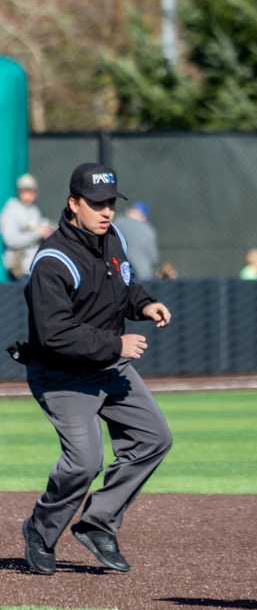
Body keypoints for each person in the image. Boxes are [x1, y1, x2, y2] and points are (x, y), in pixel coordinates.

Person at [11, 163, 174, 575]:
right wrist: (116, 343)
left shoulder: (111, 238)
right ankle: (41, 530)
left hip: (108, 367)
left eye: (110, 203)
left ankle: (98, 523)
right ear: (73, 204)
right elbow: (55, 335)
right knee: (84, 461)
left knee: (154, 438)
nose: (106, 212)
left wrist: (144, 304)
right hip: (61, 374)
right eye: (96, 204)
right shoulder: (52, 260)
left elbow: (124, 284)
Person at [1, 173, 54, 279]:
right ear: (19, 191)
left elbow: (42, 226)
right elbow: (10, 240)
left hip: (34, 266)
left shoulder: (34, 209)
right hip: (18, 268)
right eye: (25, 190)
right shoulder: (11, 209)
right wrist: (38, 233)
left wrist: (47, 230)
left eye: (31, 191)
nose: (28, 194)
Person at [112, 201, 160, 281]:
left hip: (119, 272)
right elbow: (153, 258)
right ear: (144, 217)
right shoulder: (148, 230)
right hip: (143, 274)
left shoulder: (117, 223)